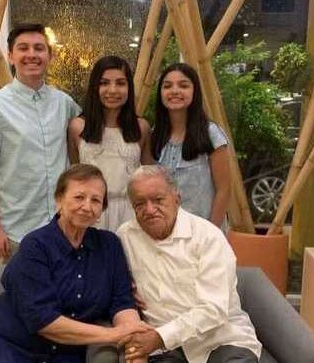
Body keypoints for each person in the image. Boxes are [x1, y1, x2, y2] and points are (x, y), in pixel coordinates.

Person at [0, 164, 149, 363]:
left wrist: (134, 339)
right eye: (79, 197)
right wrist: (113, 335)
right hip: (11, 345)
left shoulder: (110, 245)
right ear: (59, 200)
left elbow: (121, 303)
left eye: (96, 200)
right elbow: (43, 320)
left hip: (66, 354)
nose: (87, 206)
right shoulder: (35, 246)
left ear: (102, 209)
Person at [116, 165, 262, 363]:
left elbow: (214, 309)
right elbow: (110, 287)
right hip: (166, 350)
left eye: (158, 200)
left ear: (176, 198)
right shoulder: (125, 237)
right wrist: (126, 290)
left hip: (221, 340)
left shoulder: (208, 237)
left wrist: (160, 337)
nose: (149, 210)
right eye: (140, 203)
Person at [0, 23, 81, 260]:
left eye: (39, 48)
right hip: (17, 232)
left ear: (50, 56)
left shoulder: (65, 104)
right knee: (19, 296)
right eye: (23, 48)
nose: (32, 54)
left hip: (63, 228)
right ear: (11, 56)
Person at [68, 55, 152, 232]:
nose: (112, 90)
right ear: (94, 87)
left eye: (121, 83)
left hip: (130, 214)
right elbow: (74, 175)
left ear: (129, 87)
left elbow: (149, 176)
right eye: (104, 83)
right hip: (89, 213)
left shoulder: (141, 128)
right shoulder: (77, 127)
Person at [151, 63, 230, 229]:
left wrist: (212, 233)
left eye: (183, 85)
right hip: (165, 232)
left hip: (202, 232)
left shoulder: (211, 134)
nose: (174, 91)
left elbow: (224, 190)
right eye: (167, 86)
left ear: (195, 91)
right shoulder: (155, 135)